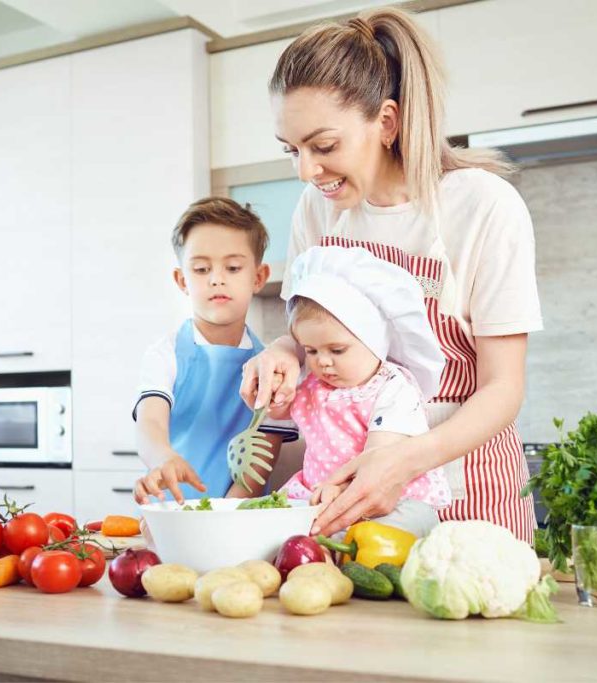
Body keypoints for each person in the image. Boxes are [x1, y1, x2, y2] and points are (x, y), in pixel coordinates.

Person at [241, 7, 542, 543]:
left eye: (324, 146)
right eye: (292, 150)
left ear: (386, 121)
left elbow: (503, 388)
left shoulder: (482, 206)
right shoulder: (317, 209)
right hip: (347, 495)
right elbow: (305, 325)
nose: (307, 172)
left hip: (465, 488)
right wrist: (283, 352)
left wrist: (403, 462)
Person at [274, 246, 450, 538]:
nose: (323, 361)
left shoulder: (393, 388)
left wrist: (341, 490)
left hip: (391, 501)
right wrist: (275, 394)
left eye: (337, 350)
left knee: (394, 527)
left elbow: (379, 455)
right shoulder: (314, 386)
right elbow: (280, 413)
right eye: (311, 350)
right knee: (270, 523)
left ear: (375, 341)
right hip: (321, 497)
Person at [132, 198, 297, 505]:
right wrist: (163, 457)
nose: (216, 278)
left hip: (235, 515)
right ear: (182, 280)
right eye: (201, 269)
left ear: (258, 277)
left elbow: (258, 467)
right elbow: (150, 424)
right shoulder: (165, 354)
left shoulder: (272, 369)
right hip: (169, 513)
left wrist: (223, 514)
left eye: (233, 267)